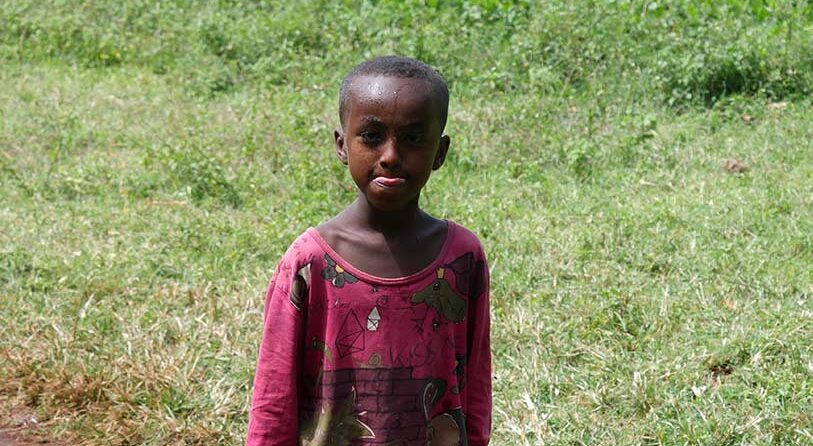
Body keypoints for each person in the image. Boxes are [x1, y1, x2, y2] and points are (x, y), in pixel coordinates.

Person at [246, 56, 491, 446]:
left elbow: (475, 384)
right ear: (342, 145)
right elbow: (274, 399)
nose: (391, 155)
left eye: (413, 138)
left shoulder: (463, 258)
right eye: (372, 136)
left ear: (440, 152)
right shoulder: (309, 264)